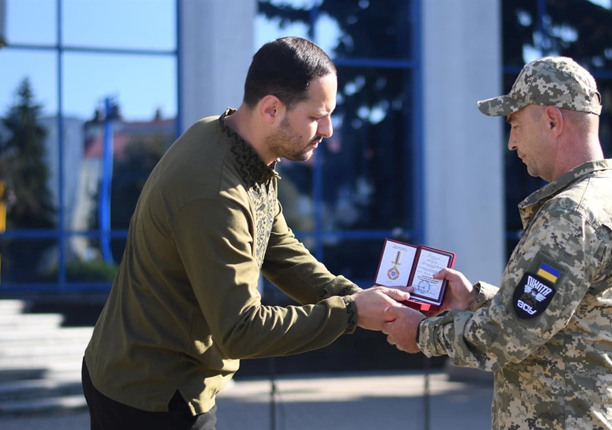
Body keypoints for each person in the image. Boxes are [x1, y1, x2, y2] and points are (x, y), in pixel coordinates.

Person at [82, 36, 410, 430]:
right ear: (272, 109)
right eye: (315, 116)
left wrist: (354, 297)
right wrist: (352, 314)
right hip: (150, 398)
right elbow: (241, 330)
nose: (327, 129)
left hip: (147, 376)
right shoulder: (214, 190)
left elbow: (280, 248)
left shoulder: (236, 145)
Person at [382, 56, 612, 430]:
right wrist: (475, 301)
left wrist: (420, 333)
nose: (511, 143)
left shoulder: (571, 214)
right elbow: (566, 320)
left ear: (553, 121)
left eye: (515, 125)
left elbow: (509, 334)